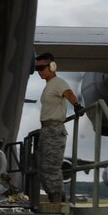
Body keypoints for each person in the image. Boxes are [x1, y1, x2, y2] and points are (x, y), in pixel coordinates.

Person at [33, 52, 82, 203]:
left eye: (42, 67)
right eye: (37, 68)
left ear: (52, 66)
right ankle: (53, 198)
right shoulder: (49, 86)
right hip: (46, 129)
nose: (40, 71)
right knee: (41, 167)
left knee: (51, 167)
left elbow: (68, 93)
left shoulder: (58, 82)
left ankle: (58, 201)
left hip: (54, 129)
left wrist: (76, 105)